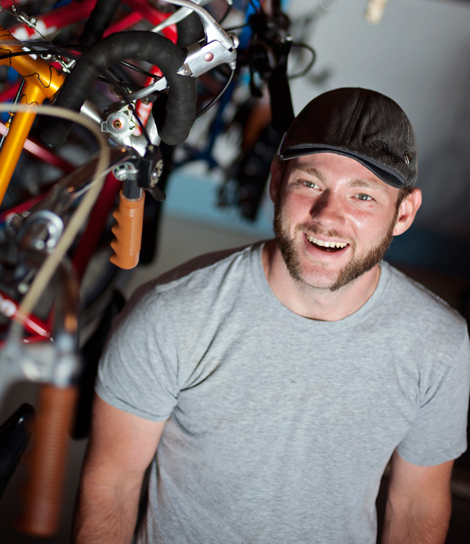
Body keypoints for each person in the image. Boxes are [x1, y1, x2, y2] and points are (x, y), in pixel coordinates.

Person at [74, 88, 470, 544]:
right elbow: (112, 484)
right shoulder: (170, 315)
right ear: (277, 181)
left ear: (404, 213)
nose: (328, 216)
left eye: (363, 196)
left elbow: (417, 502)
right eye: (311, 183)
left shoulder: (438, 344)